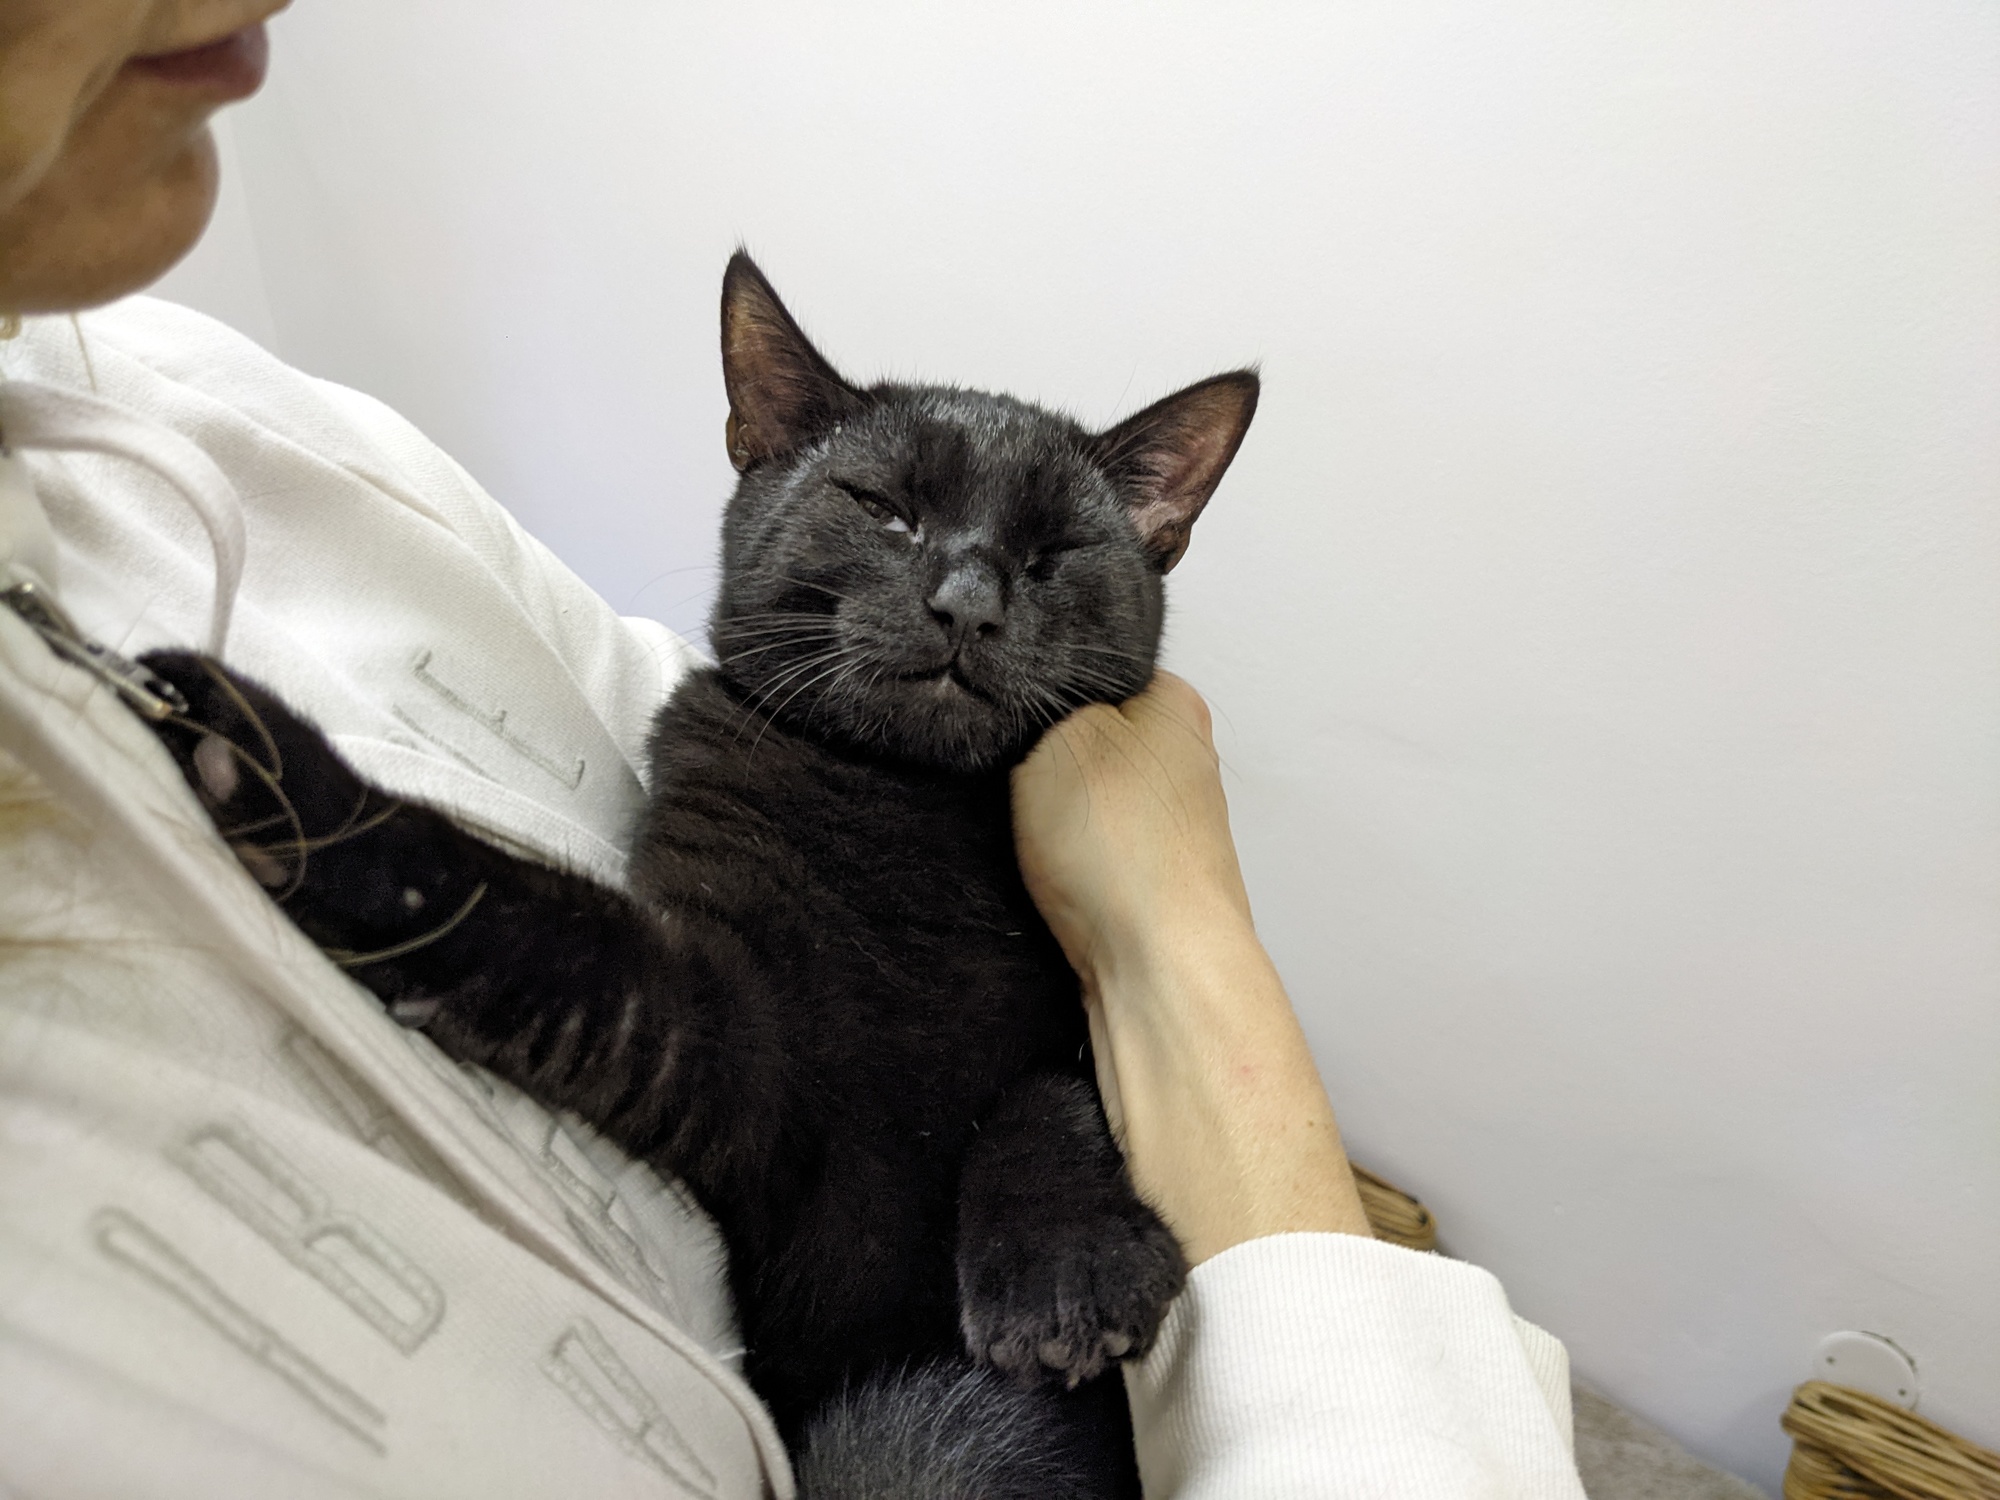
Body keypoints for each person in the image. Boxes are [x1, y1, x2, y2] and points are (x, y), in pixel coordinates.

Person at [0, 5, 1588, 1496]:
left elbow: (997, 1063)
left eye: (1052, 558)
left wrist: (1047, 1130)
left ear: (1160, 528)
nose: (966, 598)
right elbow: (716, 1047)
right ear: (763, 452)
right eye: (886, 514)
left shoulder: (1069, 803)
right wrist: (371, 854)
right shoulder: (732, 758)